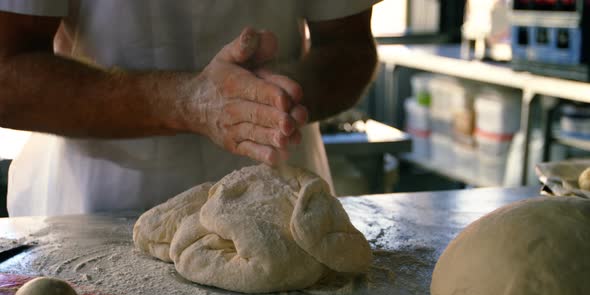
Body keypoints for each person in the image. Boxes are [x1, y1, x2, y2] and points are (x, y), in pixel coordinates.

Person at [0, 1, 379, 216]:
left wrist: (269, 100)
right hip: (101, 208)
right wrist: (189, 102)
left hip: (281, 205)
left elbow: (349, 48)